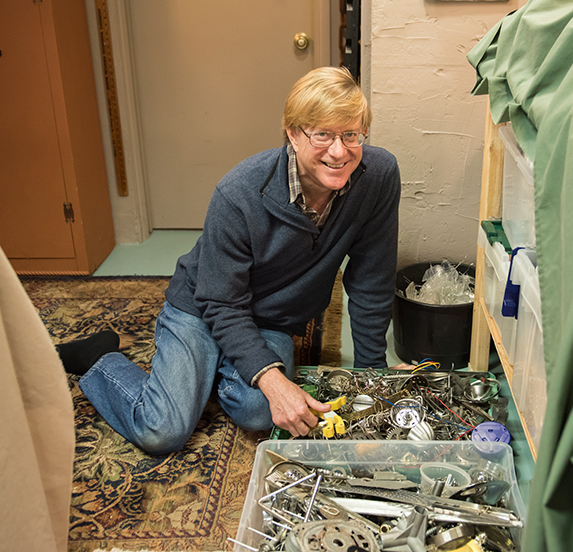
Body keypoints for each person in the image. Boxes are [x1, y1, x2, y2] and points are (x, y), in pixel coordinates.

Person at [59, 66, 402, 455]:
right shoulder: (239, 192)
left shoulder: (379, 176)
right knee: (162, 432)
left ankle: (216, 363)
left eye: (351, 135)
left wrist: (374, 375)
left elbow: (371, 280)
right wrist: (270, 378)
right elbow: (220, 300)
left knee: (259, 413)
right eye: (321, 134)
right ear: (291, 133)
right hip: (204, 306)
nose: (339, 151)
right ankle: (98, 357)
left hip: (272, 318)